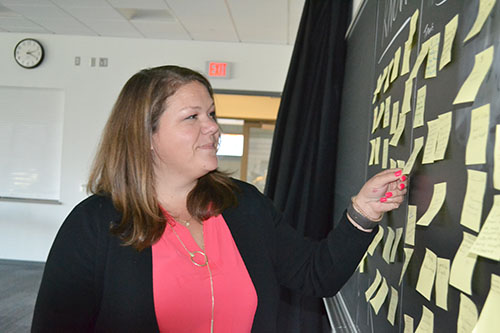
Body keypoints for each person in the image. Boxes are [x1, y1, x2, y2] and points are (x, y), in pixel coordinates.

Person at [31, 65, 407, 332]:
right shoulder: (96, 224)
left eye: (211, 113)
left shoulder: (243, 205)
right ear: (145, 136)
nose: (213, 127)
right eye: (192, 117)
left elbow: (316, 275)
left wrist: (363, 211)